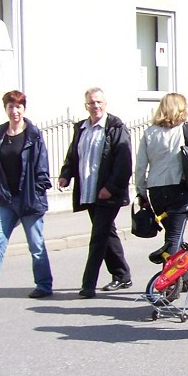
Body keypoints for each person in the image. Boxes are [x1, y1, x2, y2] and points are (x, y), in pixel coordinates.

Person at [0, 91, 53, 303]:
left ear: (24, 109)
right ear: (5, 109)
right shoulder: (0, 135)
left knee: (36, 246)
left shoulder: (33, 134)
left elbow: (42, 166)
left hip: (29, 199)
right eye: (10, 107)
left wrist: (38, 190)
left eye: (18, 107)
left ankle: (44, 284)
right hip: (5, 200)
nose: (14, 111)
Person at [58, 88, 132, 299]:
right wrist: (66, 174)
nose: (95, 106)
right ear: (86, 106)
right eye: (91, 103)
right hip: (89, 192)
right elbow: (73, 155)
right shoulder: (81, 128)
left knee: (98, 237)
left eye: (99, 102)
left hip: (109, 194)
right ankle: (122, 274)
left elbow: (123, 163)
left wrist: (110, 188)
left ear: (105, 103)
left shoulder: (116, 127)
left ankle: (88, 285)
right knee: (107, 233)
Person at [135, 93, 188, 264]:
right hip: (180, 187)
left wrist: (141, 192)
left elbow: (140, 166)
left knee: (172, 234)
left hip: (156, 190)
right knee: (175, 236)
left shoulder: (150, 133)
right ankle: (169, 281)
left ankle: (182, 276)